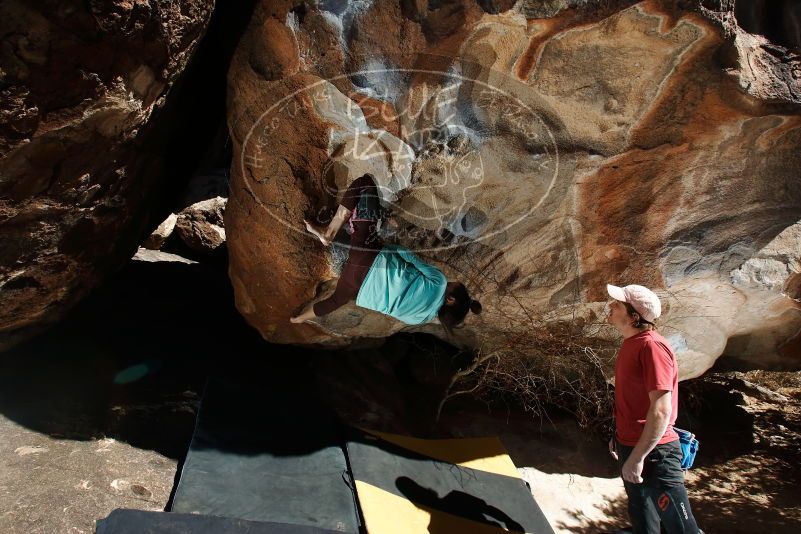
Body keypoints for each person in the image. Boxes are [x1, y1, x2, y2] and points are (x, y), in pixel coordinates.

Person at [290, 173, 482, 332]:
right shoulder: (418, 319)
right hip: (358, 290)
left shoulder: (439, 283)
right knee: (334, 301)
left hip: (369, 257)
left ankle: (328, 232)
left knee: (364, 184)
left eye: (452, 285)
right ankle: (299, 318)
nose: (448, 281)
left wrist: (383, 246)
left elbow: (404, 253)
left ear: (450, 299)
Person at [605, 283, 703, 534]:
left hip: (657, 455)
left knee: (683, 529)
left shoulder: (652, 347)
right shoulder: (632, 343)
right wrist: (620, 437)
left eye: (617, 304)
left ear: (634, 316)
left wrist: (638, 457)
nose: (611, 306)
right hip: (632, 446)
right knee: (644, 524)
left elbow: (661, 411)